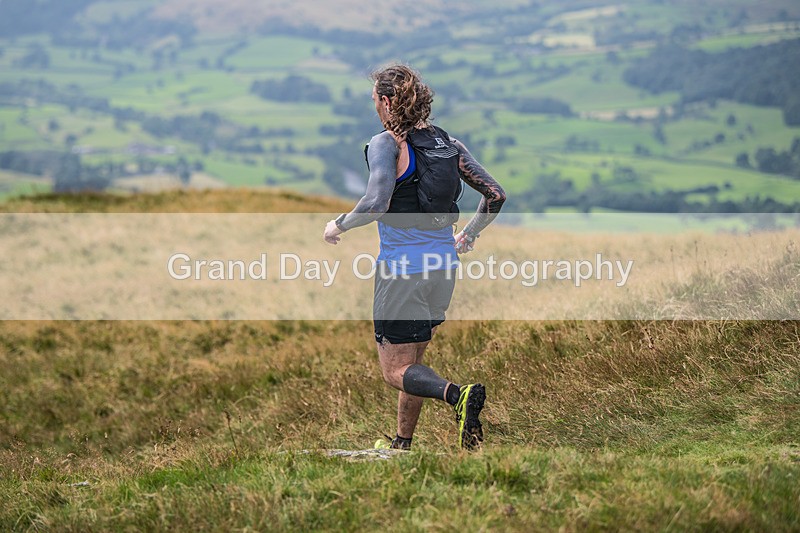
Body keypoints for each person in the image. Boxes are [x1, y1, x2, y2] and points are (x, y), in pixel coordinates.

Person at [323, 64, 505, 450]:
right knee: (413, 362)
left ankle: (458, 395)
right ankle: (402, 444)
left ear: (387, 102)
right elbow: (495, 195)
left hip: (402, 271)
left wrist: (337, 225)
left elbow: (375, 202)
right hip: (443, 268)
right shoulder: (448, 144)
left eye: (375, 100)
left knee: (395, 370)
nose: (376, 107)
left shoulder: (387, 143)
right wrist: (469, 234)